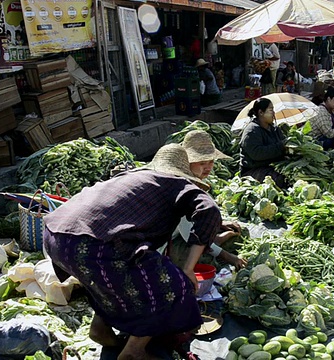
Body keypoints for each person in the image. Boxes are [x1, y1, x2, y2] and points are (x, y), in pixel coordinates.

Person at [43, 144, 222, 359]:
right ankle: (134, 351)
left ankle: (101, 330)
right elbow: (210, 210)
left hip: (57, 235)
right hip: (95, 244)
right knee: (173, 285)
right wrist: (188, 269)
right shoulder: (177, 183)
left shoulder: (134, 176)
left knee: (109, 282)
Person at [172, 130, 247, 270]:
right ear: (187, 162)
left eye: (211, 161)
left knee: (239, 232)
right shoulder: (180, 187)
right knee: (206, 258)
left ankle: (215, 241)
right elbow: (190, 235)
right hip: (166, 243)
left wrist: (219, 224)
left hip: (183, 232)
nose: (208, 167)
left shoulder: (192, 181)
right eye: (201, 162)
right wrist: (228, 256)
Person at [239, 98, 287, 188]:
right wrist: (281, 146)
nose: (273, 113)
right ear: (261, 112)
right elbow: (257, 153)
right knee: (281, 180)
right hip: (253, 171)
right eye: (270, 110)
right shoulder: (252, 131)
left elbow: (283, 142)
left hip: (272, 166)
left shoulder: (274, 129)